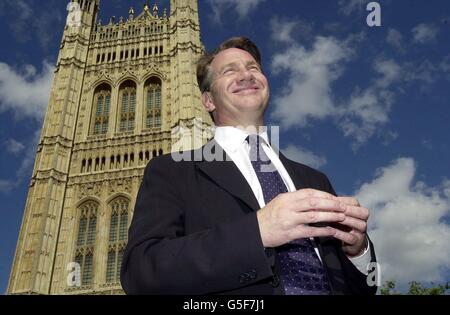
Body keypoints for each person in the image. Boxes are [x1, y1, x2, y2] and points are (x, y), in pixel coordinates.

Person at [121, 37, 377, 295]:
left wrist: (358, 251)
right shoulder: (175, 170)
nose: (246, 75)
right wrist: (257, 232)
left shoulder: (314, 179)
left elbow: (364, 289)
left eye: (253, 68)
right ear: (208, 100)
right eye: (230, 70)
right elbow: (141, 273)